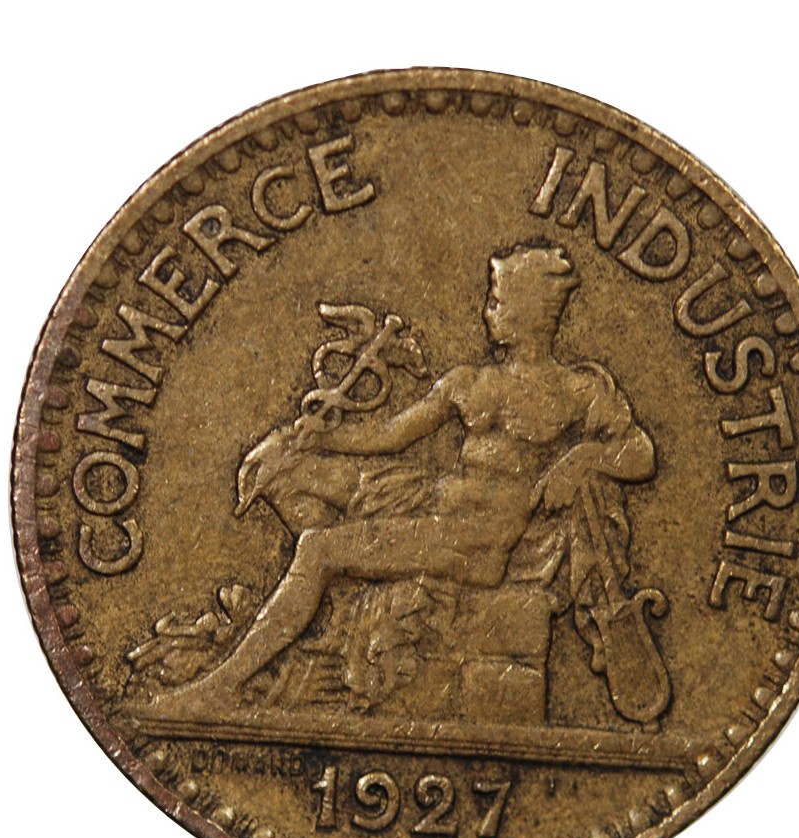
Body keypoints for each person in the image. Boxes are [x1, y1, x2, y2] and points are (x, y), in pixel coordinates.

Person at [155, 241, 655, 708]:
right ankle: (327, 630)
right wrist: (324, 437)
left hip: (475, 545)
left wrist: (582, 460)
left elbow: (640, 454)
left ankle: (224, 685)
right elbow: (391, 435)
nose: (487, 313)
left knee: (318, 548)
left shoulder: (577, 391)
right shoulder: (468, 382)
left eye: (497, 302)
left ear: (528, 312)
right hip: (431, 507)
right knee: (303, 476)